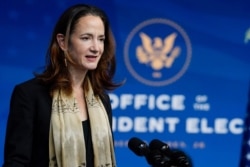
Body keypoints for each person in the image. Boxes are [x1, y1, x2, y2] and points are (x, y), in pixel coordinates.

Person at [3, 3, 121, 167]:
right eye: (86, 38)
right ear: (63, 42)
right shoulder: (29, 95)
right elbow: (16, 162)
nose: (96, 48)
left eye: (101, 39)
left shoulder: (101, 99)